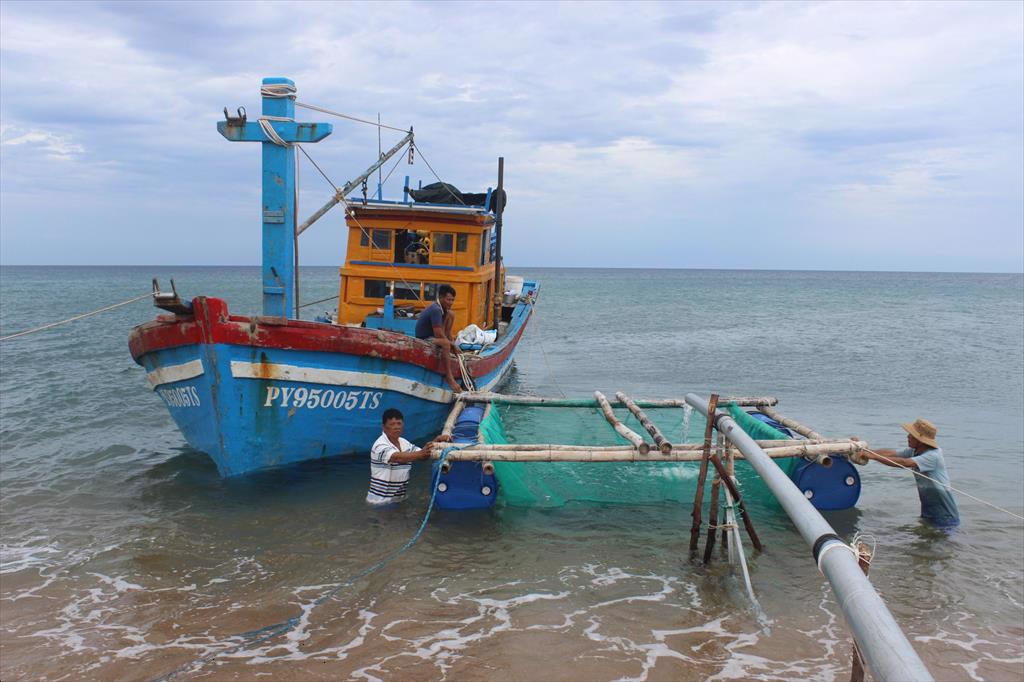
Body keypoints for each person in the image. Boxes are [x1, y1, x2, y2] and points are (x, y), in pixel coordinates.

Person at [863, 418, 960, 528]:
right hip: (928, 514)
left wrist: (874, 457)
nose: (907, 437)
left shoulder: (933, 456)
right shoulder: (915, 451)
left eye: (911, 435)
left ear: (921, 440)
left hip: (945, 517)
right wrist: (867, 451)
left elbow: (905, 462)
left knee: (940, 543)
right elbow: (892, 453)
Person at [367, 408, 451, 506]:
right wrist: (421, 453)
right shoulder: (379, 445)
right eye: (392, 424)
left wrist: (436, 442)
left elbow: (422, 455)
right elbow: (398, 457)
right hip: (378, 503)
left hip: (398, 500)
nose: (396, 427)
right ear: (384, 427)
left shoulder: (404, 443)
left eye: (399, 424)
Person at [415, 284, 462, 393]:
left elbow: (446, 332)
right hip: (425, 338)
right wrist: (451, 345)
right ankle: (449, 377)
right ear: (440, 298)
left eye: (452, 300)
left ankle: (450, 353)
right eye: (448, 299)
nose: (450, 302)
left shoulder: (443, 310)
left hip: (434, 337)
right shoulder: (436, 309)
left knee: (451, 314)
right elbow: (438, 333)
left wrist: (452, 343)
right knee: (445, 344)